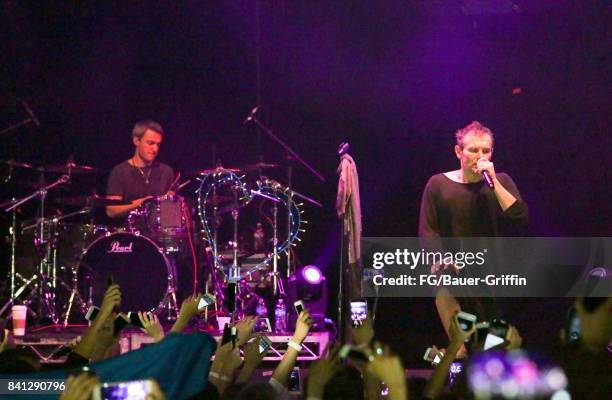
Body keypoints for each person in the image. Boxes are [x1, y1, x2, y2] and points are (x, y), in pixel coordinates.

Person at [418, 121, 529, 351]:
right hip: (455, 278)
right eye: (473, 150)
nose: (480, 156)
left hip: (494, 281)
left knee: (493, 349)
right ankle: (455, 368)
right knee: (460, 347)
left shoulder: (502, 181)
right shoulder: (438, 184)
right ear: (459, 151)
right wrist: (439, 258)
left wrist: (494, 181)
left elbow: (519, 217)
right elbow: (428, 230)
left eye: (485, 150)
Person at [105, 120, 175, 220]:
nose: (155, 149)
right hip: (130, 232)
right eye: (150, 143)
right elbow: (111, 211)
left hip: (159, 233)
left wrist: (170, 202)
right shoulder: (120, 171)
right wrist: (139, 204)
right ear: (136, 141)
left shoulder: (166, 171)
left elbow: (170, 213)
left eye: (158, 145)